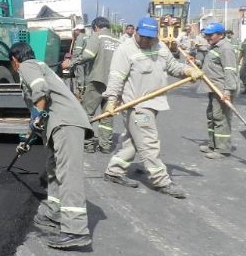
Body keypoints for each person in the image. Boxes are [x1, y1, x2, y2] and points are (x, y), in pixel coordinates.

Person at [102, 17, 203, 198]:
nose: (147, 41)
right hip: (137, 106)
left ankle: (114, 171)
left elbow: (172, 66)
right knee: (149, 142)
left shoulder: (160, 46)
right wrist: (111, 100)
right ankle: (161, 180)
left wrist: (188, 70)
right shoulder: (125, 50)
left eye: (151, 37)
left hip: (154, 103)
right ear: (136, 32)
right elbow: (116, 77)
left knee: (133, 140)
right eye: (144, 37)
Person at [11, 42, 93, 250]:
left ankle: (76, 230)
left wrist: (38, 116)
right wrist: (27, 140)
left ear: (14, 60)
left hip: (66, 123)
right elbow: (37, 112)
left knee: (68, 173)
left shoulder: (27, 66)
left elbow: (41, 91)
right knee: (53, 168)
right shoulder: (40, 66)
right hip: (59, 124)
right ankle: (54, 213)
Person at [69, 16, 120, 153]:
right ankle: (105, 145)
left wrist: (72, 62)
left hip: (98, 80)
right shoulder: (118, 40)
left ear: (96, 27)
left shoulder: (97, 36)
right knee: (108, 113)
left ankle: (88, 144)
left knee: (86, 112)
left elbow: (88, 55)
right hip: (114, 83)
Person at [198, 23, 238, 159]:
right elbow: (211, 64)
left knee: (221, 118)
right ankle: (212, 144)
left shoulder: (226, 48)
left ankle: (222, 149)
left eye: (210, 35)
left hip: (221, 89)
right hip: (212, 87)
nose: (207, 37)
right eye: (206, 35)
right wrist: (197, 63)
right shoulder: (214, 46)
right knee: (211, 116)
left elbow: (230, 70)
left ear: (220, 35)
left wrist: (228, 91)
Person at [61, 23, 88, 99]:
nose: (74, 32)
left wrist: (70, 62)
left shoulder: (80, 37)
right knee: (85, 77)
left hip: (79, 62)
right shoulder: (86, 37)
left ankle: (80, 93)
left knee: (80, 77)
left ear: (78, 30)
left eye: (75, 30)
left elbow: (77, 52)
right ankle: (84, 92)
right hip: (86, 61)